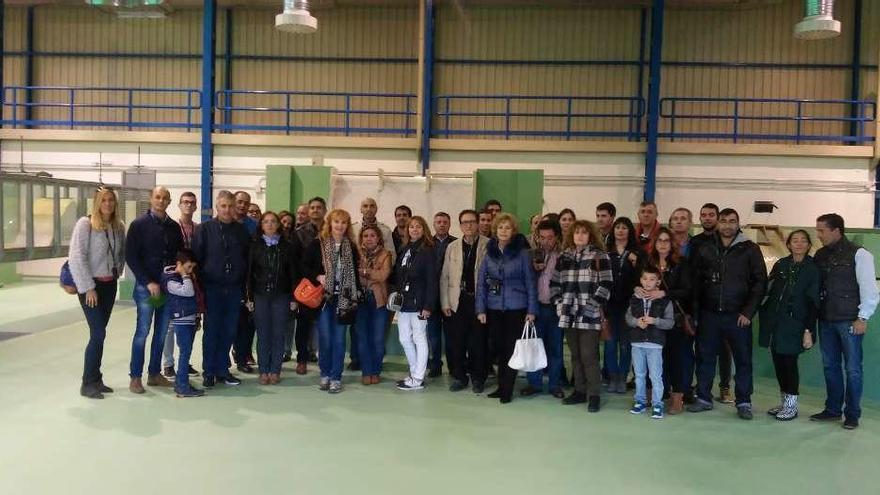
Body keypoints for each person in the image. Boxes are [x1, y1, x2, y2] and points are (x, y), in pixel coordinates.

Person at [688, 208, 767, 420]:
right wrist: (696, 312)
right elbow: (695, 282)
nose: (727, 225)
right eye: (724, 221)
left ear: (738, 223)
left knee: (743, 360)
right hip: (709, 314)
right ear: (718, 223)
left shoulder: (750, 249)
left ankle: (743, 401)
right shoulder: (705, 248)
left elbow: (760, 283)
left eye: (732, 221)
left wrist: (748, 312)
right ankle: (703, 397)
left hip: (738, 316)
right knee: (704, 358)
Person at [810, 214, 879, 430]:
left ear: (836, 230)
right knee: (830, 366)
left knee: (852, 369)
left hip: (850, 320)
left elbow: (869, 289)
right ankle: (832, 410)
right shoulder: (819, 255)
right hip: (826, 320)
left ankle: (852, 414)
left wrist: (863, 317)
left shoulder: (859, 254)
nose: (818, 235)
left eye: (821, 230)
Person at [125, 186, 183, 394]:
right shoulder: (138, 225)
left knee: (161, 334)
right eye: (157, 197)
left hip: (168, 289)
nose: (161, 200)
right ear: (151, 199)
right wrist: (148, 282)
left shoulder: (174, 228)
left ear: (169, 201)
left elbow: (180, 256)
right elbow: (131, 256)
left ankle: (154, 374)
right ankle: (135, 377)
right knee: (143, 332)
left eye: (165, 198)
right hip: (147, 290)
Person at [69, 186, 126, 399]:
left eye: (111, 200)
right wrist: (88, 288)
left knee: (100, 334)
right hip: (91, 287)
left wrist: (117, 272)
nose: (108, 204)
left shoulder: (118, 226)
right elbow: (77, 257)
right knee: (98, 333)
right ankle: (87, 382)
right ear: (97, 203)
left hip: (109, 285)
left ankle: (96, 378)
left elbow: (120, 252)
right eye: (104, 200)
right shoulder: (85, 224)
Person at [551, 220, 612, 412]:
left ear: (591, 235)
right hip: (568, 313)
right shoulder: (564, 256)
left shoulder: (599, 256)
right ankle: (579, 390)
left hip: (589, 314)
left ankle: (594, 394)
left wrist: (592, 306)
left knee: (589, 356)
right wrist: (559, 304)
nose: (580, 235)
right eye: (576, 232)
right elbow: (554, 284)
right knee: (575, 355)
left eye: (584, 233)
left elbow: (607, 284)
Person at [758, 230, 819, 421]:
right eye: (795, 240)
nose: (799, 244)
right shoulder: (781, 265)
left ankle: (792, 405)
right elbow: (768, 290)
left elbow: (813, 302)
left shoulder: (812, 269)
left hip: (796, 323)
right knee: (778, 361)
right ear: (789, 244)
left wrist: (808, 330)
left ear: (809, 245)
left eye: (803, 241)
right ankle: (784, 401)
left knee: (789, 363)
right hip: (776, 322)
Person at [476, 213, 537, 404]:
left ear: (513, 231)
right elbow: (481, 284)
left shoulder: (522, 254)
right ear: (495, 230)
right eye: (500, 227)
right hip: (494, 308)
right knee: (499, 348)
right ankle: (502, 385)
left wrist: (532, 310)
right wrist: (481, 309)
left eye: (507, 227)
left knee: (511, 349)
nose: (503, 231)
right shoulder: (489, 253)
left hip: (516, 308)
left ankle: (507, 390)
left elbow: (530, 283)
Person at [193, 190, 251, 388]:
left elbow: (246, 260)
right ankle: (209, 371)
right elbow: (197, 259)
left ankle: (222, 370)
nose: (227, 210)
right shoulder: (204, 229)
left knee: (229, 331)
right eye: (223, 206)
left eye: (230, 206)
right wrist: (201, 287)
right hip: (212, 288)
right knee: (212, 331)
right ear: (217, 207)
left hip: (234, 289)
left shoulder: (241, 232)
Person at [302, 209, 361, 394]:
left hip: (344, 299)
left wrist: (356, 292)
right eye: (336, 222)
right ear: (330, 223)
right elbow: (304, 267)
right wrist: (317, 276)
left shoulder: (350, 246)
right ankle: (325, 374)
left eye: (344, 222)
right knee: (325, 340)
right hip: (324, 300)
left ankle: (336, 377)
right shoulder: (317, 244)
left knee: (339, 341)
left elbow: (355, 274)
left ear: (347, 225)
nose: (340, 226)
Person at [246, 211, 301, 385]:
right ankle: (263, 370)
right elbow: (248, 273)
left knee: (278, 334)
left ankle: (275, 369)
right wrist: (248, 297)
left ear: (278, 225)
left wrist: (294, 297)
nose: (269, 224)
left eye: (273, 222)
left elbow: (293, 273)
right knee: (263, 334)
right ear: (261, 225)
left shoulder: (288, 246)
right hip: (260, 295)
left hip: (282, 295)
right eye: (266, 222)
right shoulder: (254, 245)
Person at [643, 227, 693, 414]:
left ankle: (677, 398)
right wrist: (638, 290)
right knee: (651, 358)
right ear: (654, 243)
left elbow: (687, 290)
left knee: (675, 360)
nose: (663, 244)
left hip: (674, 320)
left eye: (666, 240)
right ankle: (648, 395)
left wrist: (664, 292)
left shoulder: (682, 264)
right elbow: (637, 282)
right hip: (650, 318)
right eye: (659, 240)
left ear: (672, 244)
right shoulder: (648, 263)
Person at [441, 209, 490, 393]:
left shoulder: (488, 244)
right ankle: (460, 377)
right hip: (457, 301)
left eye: (472, 221)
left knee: (478, 343)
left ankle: (478, 378)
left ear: (478, 223)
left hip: (479, 301)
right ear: (460, 225)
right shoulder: (452, 246)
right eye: (464, 222)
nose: (468, 225)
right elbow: (444, 277)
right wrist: (445, 302)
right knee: (457, 342)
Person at [689, 202, 733, 404]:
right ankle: (701, 387)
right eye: (703, 215)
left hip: (727, 307)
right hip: (704, 305)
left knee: (725, 350)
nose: (707, 218)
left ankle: (725, 387)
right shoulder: (696, 242)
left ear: (717, 218)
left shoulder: (730, 242)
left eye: (711, 215)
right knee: (702, 350)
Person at [391, 216, 438, 391]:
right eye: (411, 227)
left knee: (419, 338)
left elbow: (432, 280)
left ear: (424, 229)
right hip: (405, 302)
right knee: (404, 338)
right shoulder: (405, 249)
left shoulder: (428, 250)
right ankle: (414, 372)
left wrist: (428, 306)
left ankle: (418, 377)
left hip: (420, 302)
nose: (414, 229)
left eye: (418, 227)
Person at [521, 219, 565, 399]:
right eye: (542, 237)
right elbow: (524, 280)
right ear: (537, 237)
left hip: (556, 307)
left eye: (550, 237)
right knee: (534, 346)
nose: (546, 241)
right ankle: (534, 383)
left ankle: (555, 384)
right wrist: (535, 269)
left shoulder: (564, 255)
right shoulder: (530, 255)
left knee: (555, 348)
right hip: (535, 307)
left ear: (557, 237)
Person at [627, 265, 674, 419]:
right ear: (640, 280)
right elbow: (627, 318)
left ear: (658, 282)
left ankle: (657, 404)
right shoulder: (634, 298)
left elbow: (670, 323)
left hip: (655, 344)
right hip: (637, 343)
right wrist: (636, 322)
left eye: (652, 279)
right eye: (645, 279)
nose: (648, 282)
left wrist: (655, 321)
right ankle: (640, 401)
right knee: (639, 375)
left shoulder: (665, 301)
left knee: (655, 376)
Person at [162, 192, 201, 379]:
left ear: (195, 207)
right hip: (175, 278)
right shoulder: (173, 227)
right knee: (170, 324)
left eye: (192, 203)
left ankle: (185, 362)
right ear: (179, 204)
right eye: (185, 202)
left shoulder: (198, 229)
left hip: (192, 278)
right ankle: (168, 364)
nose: (188, 205)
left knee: (190, 323)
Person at [604, 217, 642, 394]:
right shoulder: (605, 252)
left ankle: (623, 376)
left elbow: (642, 279)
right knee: (610, 343)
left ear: (630, 231)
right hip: (610, 305)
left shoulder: (637, 253)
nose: (620, 230)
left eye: (624, 228)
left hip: (629, 305)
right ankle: (612, 377)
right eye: (617, 227)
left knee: (626, 344)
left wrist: (636, 264)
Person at [161, 249, 204, 398]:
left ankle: (182, 381)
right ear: (179, 265)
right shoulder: (171, 279)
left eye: (192, 268)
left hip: (190, 318)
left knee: (187, 352)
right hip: (181, 320)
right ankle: (182, 387)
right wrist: (185, 275)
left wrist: (197, 316)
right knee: (184, 353)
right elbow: (188, 292)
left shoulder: (187, 276)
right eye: (188, 267)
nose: (191, 271)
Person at [356, 225, 393, 385]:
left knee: (377, 338)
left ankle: (375, 370)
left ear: (378, 238)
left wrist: (364, 272)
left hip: (379, 301)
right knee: (363, 338)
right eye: (365, 236)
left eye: (372, 235)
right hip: (360, 301)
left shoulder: (386, 254)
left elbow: (383, 275)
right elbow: (355, 277)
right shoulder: (356, 254)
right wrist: (369, 274)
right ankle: (366, 370)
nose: (369, 238)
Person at [294, 196, 327, 371]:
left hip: (328, 287)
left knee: (325, 325)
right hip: (307, 286)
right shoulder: (299, 233)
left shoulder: (331, 231)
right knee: (303, 325)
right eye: (312, 207)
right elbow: (297, 262)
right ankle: (301, 359)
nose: (315, 210)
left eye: (319, 207)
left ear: (325, 210)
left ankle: (325, 360)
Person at [427, 212, 457, 377]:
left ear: (449, 224)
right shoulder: (427, 243)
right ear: (434, 224)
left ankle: (453, 366)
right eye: (438, 222)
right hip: (432, 296)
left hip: (450, 295)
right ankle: (435, 365)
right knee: (433, 334)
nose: (442, 224)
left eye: (445, 222)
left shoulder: (456, 243)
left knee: (451, 334)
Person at [232, 191, 259, 372]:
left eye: (246, 203)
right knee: (228, 323)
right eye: (239, 202)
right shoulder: (224, 223)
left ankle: (242, 357)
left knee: (247, 322)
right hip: (227, 282)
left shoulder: (254, 226)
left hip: (248, 281)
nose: (242, 205)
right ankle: (221, 362)